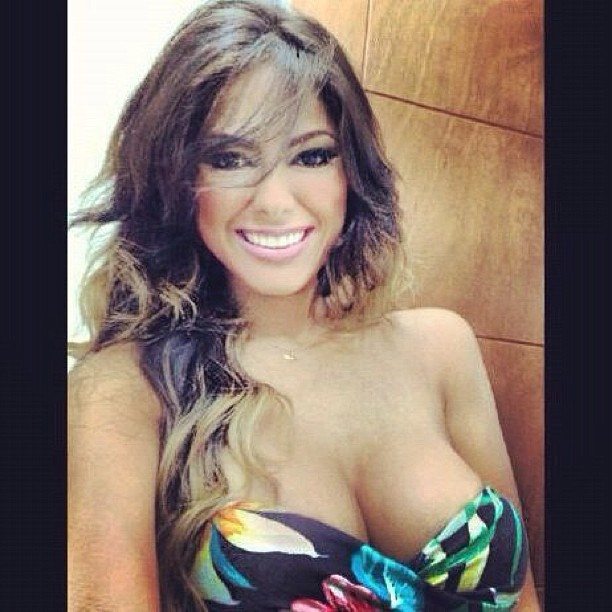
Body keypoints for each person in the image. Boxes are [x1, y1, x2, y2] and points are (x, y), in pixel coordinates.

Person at [67, 1, 540, 610]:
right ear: (176, 180)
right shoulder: (126, 390)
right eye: (230, 159)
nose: (275, 201)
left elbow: (522, 599)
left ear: (351, 174)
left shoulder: (442, 347)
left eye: (312, 155)